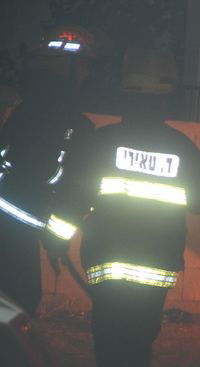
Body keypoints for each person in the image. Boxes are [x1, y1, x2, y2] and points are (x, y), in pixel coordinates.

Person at [56, 45, 200, 367]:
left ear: (125, 96)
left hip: (108, 261)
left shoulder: (102, 141)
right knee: (138, 340)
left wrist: (55, 236)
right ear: (166, 97)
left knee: (110, 337)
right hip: (156, 265)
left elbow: (74, 195)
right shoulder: (181, 148)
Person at [0, 25, 97, 315]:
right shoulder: (74, 124)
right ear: (68, 68)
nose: (87, 73)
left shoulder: (23, 109)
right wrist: (56, 240)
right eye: (84, 65)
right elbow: (74, 189)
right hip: (16, 225)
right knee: (18, 305)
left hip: (14, 224)